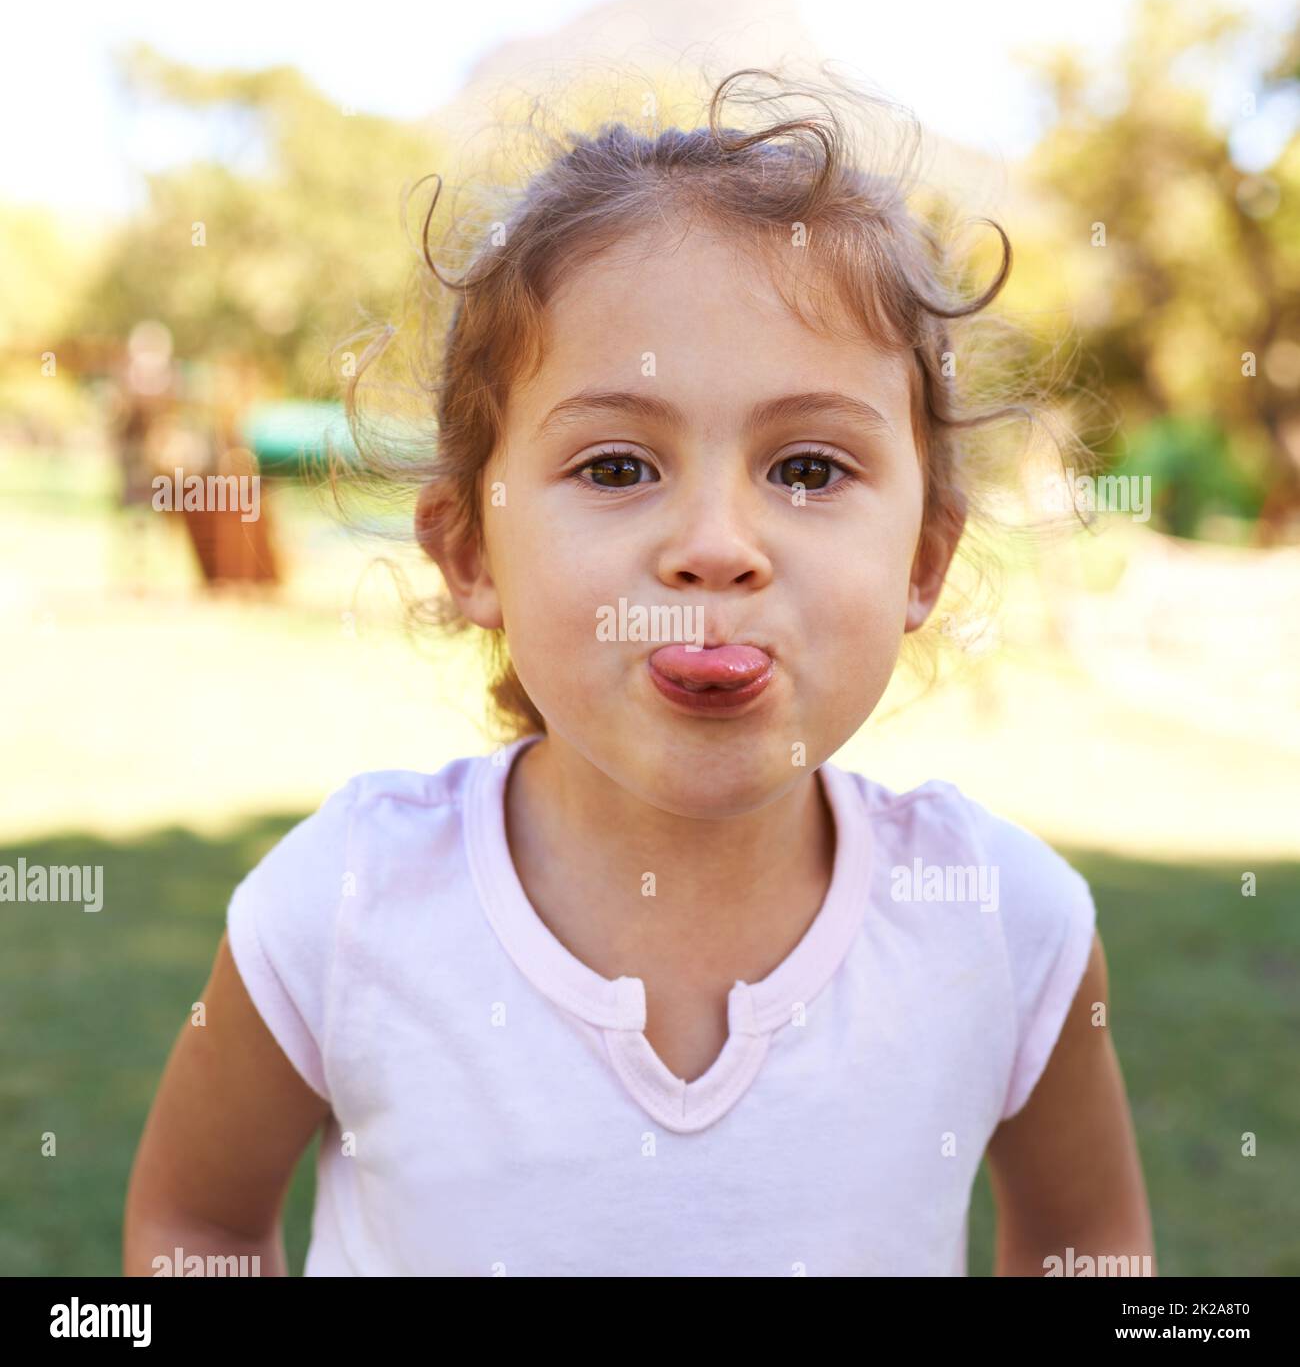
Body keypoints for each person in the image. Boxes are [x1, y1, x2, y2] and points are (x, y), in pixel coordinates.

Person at [123, 67, 1155, 1277]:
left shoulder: (1001, 923)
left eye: (810, 469)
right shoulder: (344, 908)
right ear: (470, 549)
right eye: (617, 467)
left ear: (925, 557)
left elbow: (1092, 1247)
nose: (716, 546)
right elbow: (196, 1226)